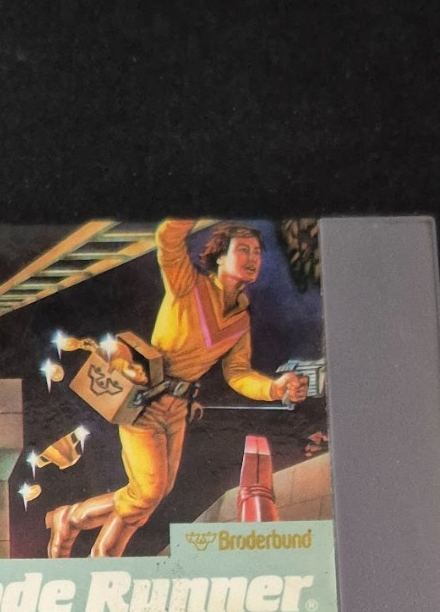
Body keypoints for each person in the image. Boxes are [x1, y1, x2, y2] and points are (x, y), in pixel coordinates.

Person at [46, 220, 307, 557]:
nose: (253, 258)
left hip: (178, 410)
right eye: (243, 250)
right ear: (219, 257)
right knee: (147, 492)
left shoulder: (241, 319)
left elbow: (238, 373)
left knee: (151, 494)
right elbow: (168, 237)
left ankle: (99, 552)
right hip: (143, 401)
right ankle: (77, 526)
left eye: (257, 252)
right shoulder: (188, 284)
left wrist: (274, 387)